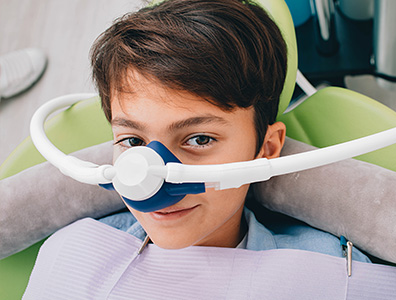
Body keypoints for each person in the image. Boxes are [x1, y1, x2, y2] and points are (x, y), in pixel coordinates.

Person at [23, 0, 370, 297]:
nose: (152, 179)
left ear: (266, 147)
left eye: (199, 139)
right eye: (133, 141)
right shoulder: (74, 254)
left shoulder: (334, 272)